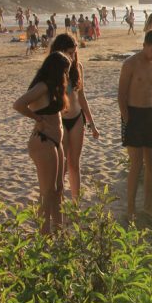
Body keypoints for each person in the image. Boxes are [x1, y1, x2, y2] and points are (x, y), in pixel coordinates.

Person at [13, 50, 71, 234]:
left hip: (55, 141)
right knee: (47, 192)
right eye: (65, 71)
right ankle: (44, 235)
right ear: (56, 70)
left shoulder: (53, 87)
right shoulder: (43, 86)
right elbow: (19, 104)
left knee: (58, 188)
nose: (66, 75)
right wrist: (37, 119)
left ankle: (59, 231)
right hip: (43, 141)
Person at [118, 28, 152, 222]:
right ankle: (130, 209)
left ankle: (147, 206)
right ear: (145, 45)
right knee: (136, 163)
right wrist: (126, 118)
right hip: (133, 114)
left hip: (151, 115)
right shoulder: (130, 64)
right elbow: (121, 94)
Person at [50, 33, 100, 201]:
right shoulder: (52, 70)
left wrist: (92, 123)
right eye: (68, 53)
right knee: (61, 165)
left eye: (74, 52)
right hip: (61, 120)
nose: (72, 56)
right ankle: (60, 202)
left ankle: (76, 204)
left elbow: (82, 96)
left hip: (77, 117)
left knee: (74, 164)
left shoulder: (78, 67)